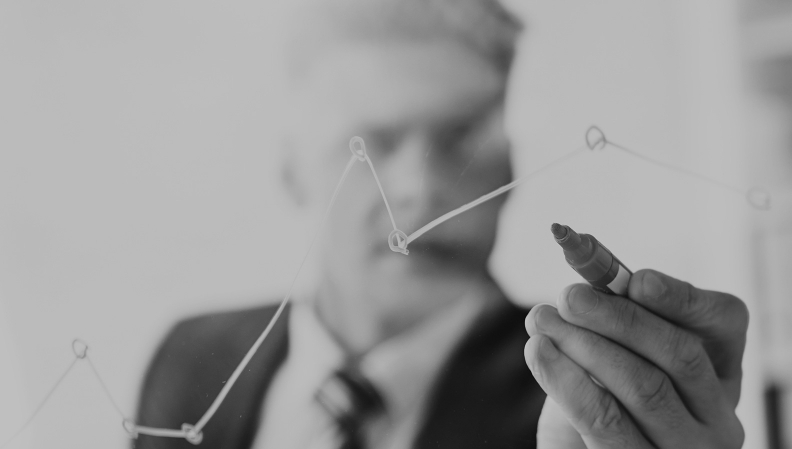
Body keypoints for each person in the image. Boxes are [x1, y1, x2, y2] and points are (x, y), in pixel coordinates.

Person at [132, 0, 749, 448]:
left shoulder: (591, 401)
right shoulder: (188, 361)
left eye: (460, 137)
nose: (421, 188)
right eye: (372, 140)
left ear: (510, 168)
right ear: (291, 167)